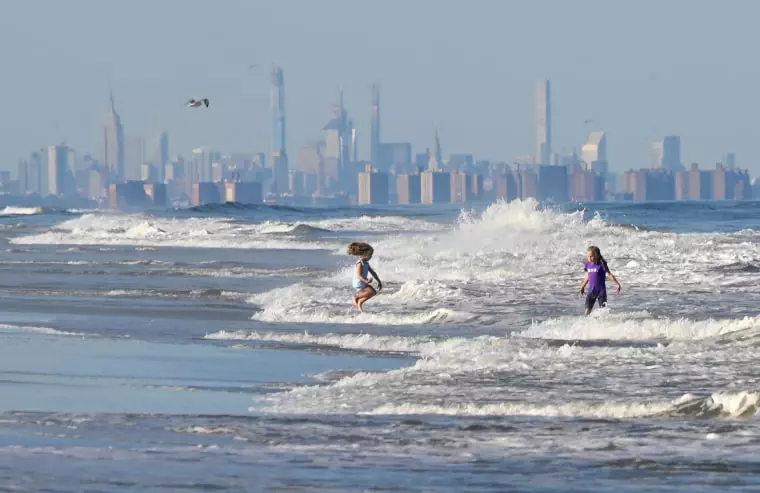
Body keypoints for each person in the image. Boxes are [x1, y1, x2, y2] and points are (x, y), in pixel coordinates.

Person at [579, 245, 621, 315]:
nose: (589, 258)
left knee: (603, 313)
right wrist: (582, 286)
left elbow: (609, 274)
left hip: (601, 292)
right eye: (588, 256)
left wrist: (617, 284)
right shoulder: (588, 264)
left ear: (597, 255)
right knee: (586, 314)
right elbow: (588, 276)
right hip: (591, 291)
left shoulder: (602, 264)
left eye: (591, 256)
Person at [347, 242, 382, 312]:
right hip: (359, 282)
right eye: (370, 255)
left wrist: (379, 281)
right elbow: (359, 276)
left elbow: (373, 272)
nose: (371, 257)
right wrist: (367, 281)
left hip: (363, 282)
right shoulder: (360, 264)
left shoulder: (366, 263)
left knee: (373, 292)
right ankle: (356, 297)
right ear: (364, 254)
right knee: (371, 292)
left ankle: (360, 302)